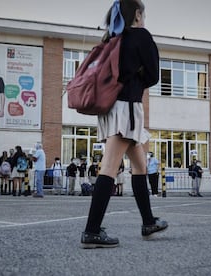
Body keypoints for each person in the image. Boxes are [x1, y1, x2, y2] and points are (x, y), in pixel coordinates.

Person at [81, 0, 167, 249]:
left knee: (140, 165)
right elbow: (153, 75)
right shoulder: (140, 36)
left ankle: (149, 222)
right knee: (109, 167)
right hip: (126, 108)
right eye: (144, 14)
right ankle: (92, 231)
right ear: (138, 14)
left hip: (110, 108)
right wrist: (139, 72)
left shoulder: (111, 39)